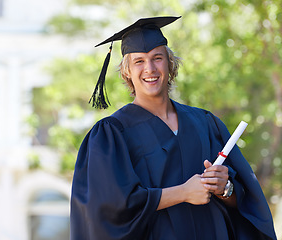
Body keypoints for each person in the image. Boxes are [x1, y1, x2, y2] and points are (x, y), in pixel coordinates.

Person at [70, 16, 277, 240]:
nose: (149, 68)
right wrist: (183, 193)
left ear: (170, 63)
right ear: (127, 71)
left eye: (157, 58)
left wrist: (225, 188)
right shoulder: (112, 133)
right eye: (139, 61)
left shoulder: (205, 122)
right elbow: (111, 208)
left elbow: (245, 200)